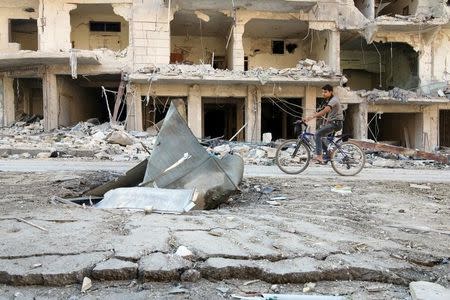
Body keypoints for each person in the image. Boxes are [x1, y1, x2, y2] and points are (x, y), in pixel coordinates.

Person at [303, 84, 344, 164]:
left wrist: (311, 117)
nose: (323, 94)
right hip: (333, 123)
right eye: (322, 92)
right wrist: (316, 114)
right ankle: (329, 153)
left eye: (325, 92)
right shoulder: (328, 100)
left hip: (336, 124)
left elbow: (325, 111)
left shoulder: (334, 100)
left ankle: (319, 156)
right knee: (318, 136)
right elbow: (322, 111)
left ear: (331, 92)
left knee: (317, 134)